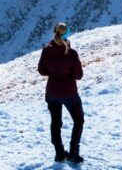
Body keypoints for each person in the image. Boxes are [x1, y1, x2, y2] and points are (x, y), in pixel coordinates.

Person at [37, 22, 85, 163]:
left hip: (52, 92)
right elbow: (78, 75)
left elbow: (42, 70)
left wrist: (53, 72)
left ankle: (59, 153)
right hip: (69, 92)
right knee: (78, 120)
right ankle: (73, 153)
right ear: (66, 34)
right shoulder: (71, 54)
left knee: (55, 122)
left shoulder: (46, 50)